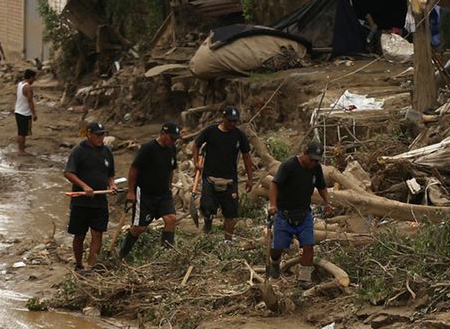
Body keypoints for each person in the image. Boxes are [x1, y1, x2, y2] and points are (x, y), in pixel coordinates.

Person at [267, 140, 331, 285]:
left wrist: (328, 202)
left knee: (308, 246)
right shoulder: (289, 165)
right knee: (278, 247)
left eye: (317, 160)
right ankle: (275, 262)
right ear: (305, 154)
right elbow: (274, 184)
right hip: (284, 213)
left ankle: (304, 279)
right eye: (312, 159)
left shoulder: (316, 169)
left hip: (304, 213)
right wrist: (272, 205)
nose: (313, 163)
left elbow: (321, 186)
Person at [193, 106, 255, 239]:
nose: (232, 124)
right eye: (230, 121)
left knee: (231, 213)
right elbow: (196, 144)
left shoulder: (239, 135)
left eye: (235, 121)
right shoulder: (210, 131)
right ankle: (208, 226)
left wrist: (250, 178)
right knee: (207, 207)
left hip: (230, 180)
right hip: (210, 177)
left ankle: (228, 241)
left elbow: (246, 156)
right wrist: (196, 162)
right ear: (223, 119)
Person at [120, 123, 182, 259]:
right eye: (171, 138)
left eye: (175, 139)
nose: (173, 141)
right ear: (163, 134)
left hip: (164, 193)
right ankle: (122, 254)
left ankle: (166, 254)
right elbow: (133, 169)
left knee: (171, 219)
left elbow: (171, 168)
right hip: (145, 194)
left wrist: (169, 186)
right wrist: (131, 192)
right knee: (139, 228)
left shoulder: (172, 149)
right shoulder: (148, 148)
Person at [63, 122, 115, 270]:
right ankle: (79, 264)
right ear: (89, 134)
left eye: (103, 134)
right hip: (81, 201)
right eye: (98, 135)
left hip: (100, 201)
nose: (101, 138)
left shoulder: (107, 152)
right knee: (79, 235)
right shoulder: (78, 151)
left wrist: (112, 185)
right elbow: (68, 172)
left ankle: (91, 266)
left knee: (97, 233)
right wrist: (84, 186)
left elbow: (110, 174)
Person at [12, 69, 37, 154]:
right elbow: (30, 101)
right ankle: (21, 150)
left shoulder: (20, 84)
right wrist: (34, 114)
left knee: (21, 132)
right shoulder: (28, 87)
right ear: (31, 77)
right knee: (23, 133)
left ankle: (21, 149)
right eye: (34, 78)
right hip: (24, 113)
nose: (34, 80)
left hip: (18, 111)